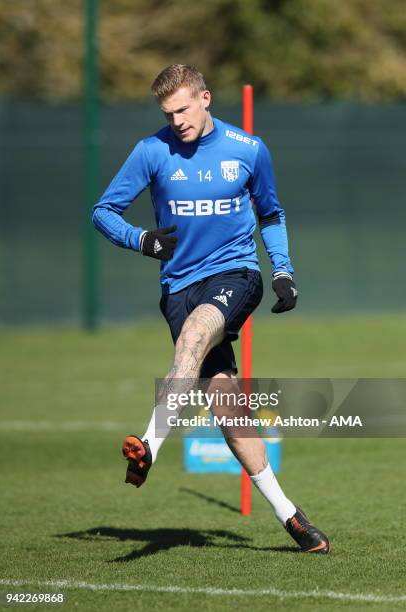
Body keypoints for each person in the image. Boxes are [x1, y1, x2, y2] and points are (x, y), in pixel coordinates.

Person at [92, 64, 329, 554]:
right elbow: (102, 211)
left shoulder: (247, 150)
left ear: (205, 98)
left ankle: (148, 447)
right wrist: (141, 239)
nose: (176, 120)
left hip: (236, 275)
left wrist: (282, 271)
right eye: (168, 112)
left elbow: (271, 213)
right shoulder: (151, 151)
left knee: (195, 336)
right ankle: (293, 518)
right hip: (178, 288)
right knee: (228, 408)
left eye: (183, 108)